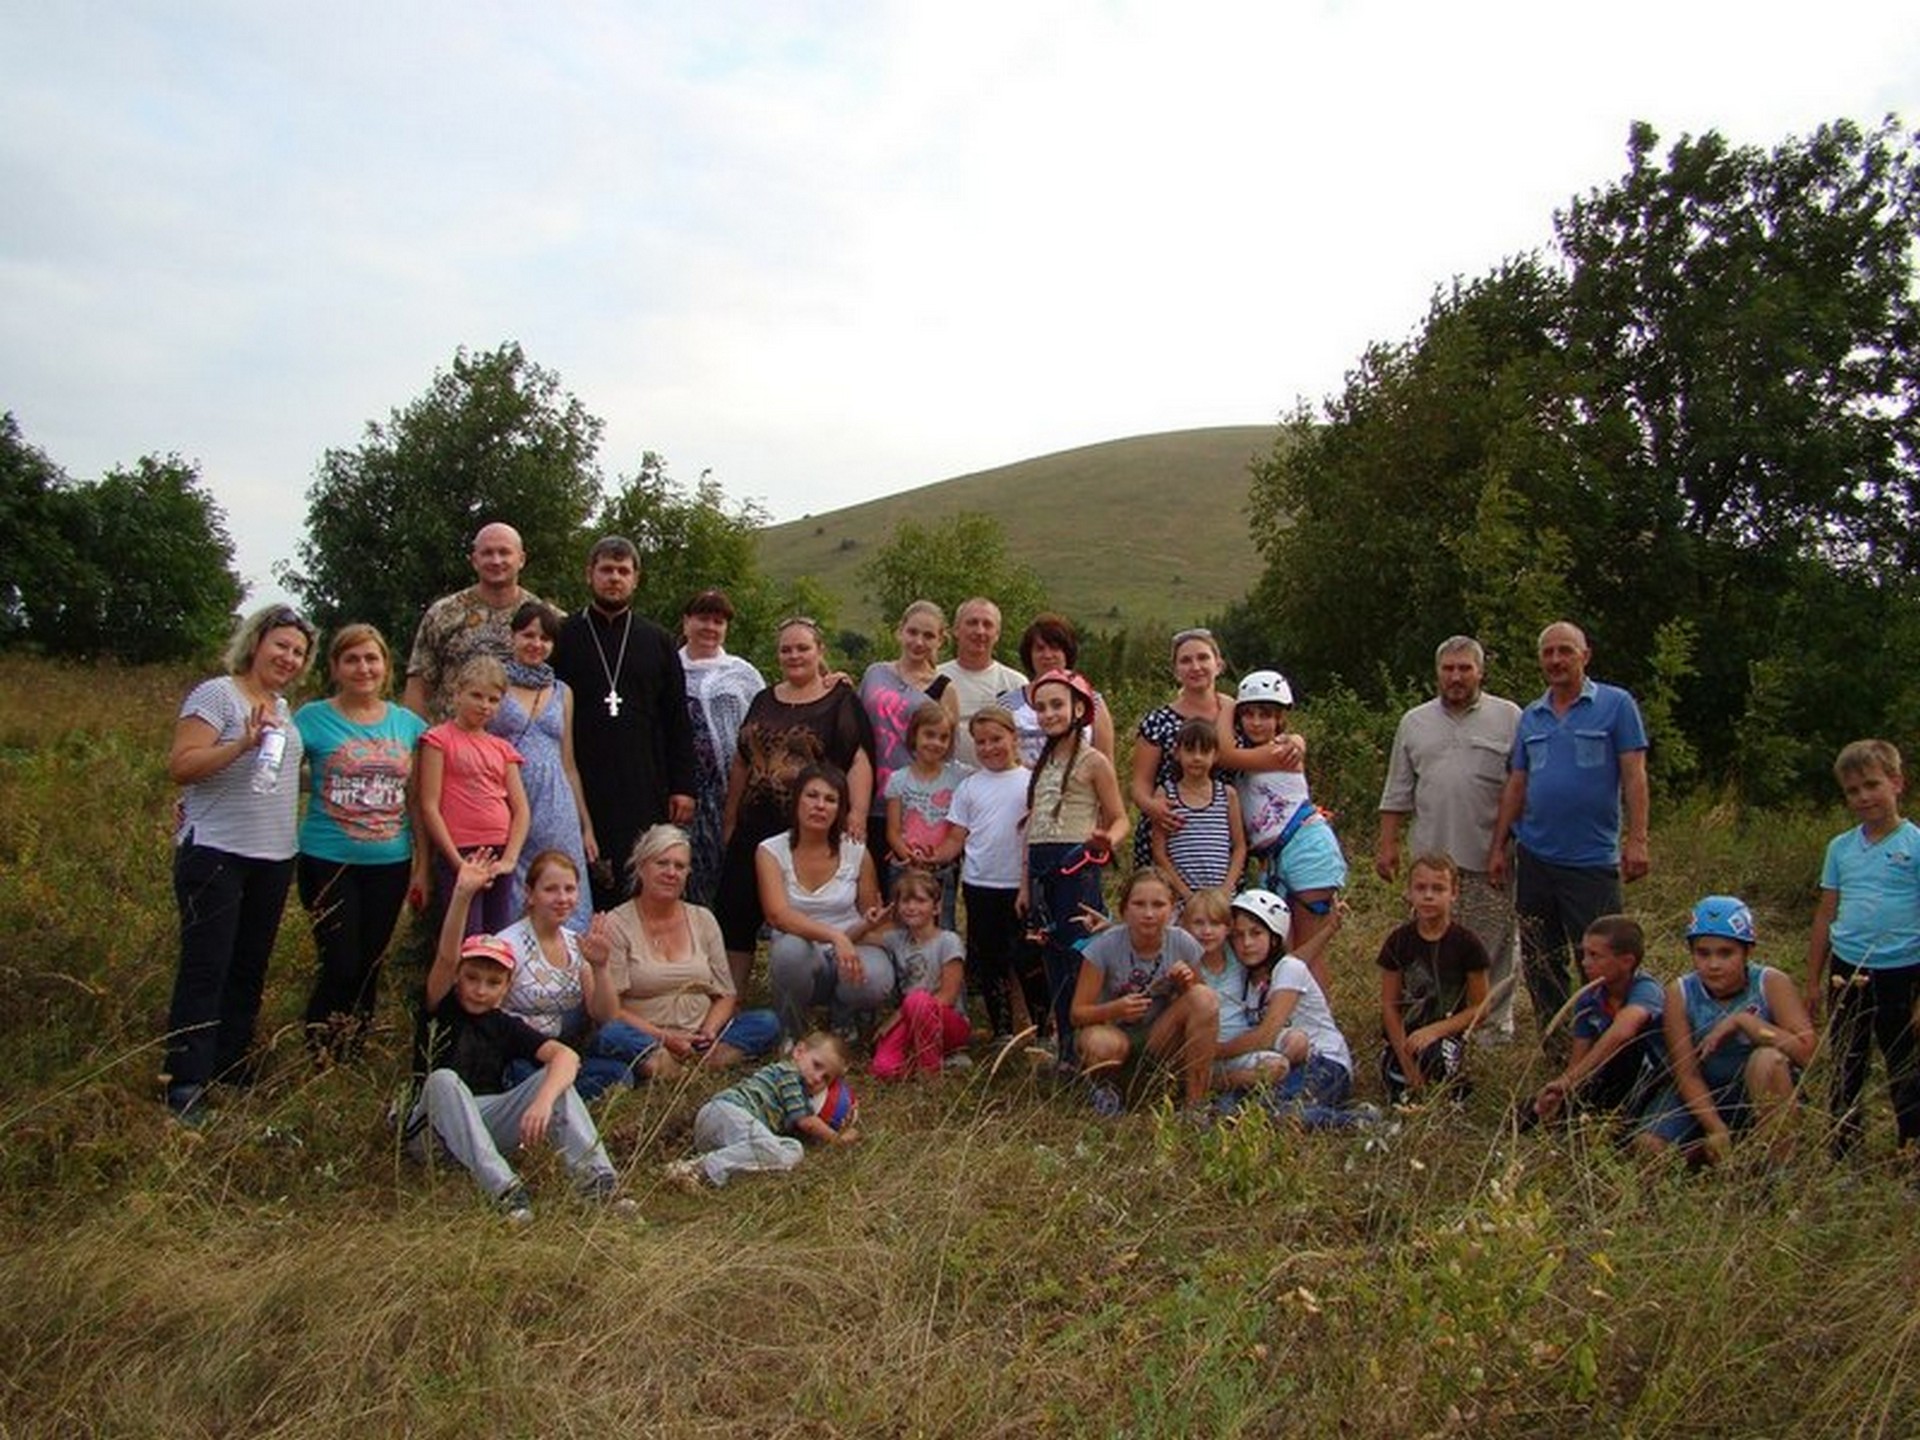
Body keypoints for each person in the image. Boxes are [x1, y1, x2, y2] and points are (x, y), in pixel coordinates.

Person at [407, 855, 628, 1222]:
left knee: (556, 1083)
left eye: (493, 982)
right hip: (432, 1129)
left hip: (485, 1121)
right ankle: (506, 1191)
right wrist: (463, 894)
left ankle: (598, 1184)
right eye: (473, 978)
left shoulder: (503, 1022)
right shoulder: (441, 1007)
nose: (480, 990)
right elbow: (447, 956)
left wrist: (542, 1101)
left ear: (508, 986)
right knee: (444, 1080)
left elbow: (565, 1058)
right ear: (460, 978)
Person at [163, 604, 316, 1120]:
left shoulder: (282, 706)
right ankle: (185, 1080)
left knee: (249, 966)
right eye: (281, 646)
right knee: (208, 966)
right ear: (256, 643)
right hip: (216, 853)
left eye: (298, 652)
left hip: (273, 855)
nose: (289, 658)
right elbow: (182, 766)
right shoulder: (218, 694)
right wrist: (243, 743)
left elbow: (279, 776)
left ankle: (231, 1061)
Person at [1487, 621, 1650, 1048]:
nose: (1556, 660)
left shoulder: (1616, 705)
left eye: (1565, 651)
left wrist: (1638, 839)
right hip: (1536, 856)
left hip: (1592, 861)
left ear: (1585, 656)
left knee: (1600, 962)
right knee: (1542, 961)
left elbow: (1634, 775)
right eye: (1548, 653)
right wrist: (1499, 847)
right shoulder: (1532, 716)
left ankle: (1611, 1046)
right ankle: (1557, 1049)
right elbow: (1518, 783)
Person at [715, 617, 874, 992]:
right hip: (754, 822)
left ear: (820, 651)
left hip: (810, 828)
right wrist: (730, 815)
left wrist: (857, 813)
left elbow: (858, 760)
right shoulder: (763, 698)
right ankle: (732, 995)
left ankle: (826, 991)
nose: (794, 655)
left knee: (807, 913)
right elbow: (742, 759)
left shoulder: (840, 701)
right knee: (736, 908)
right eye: (786, 649)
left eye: (803, 647)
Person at [1376, 636, 1523, 1040]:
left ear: (1480, 671)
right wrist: (1387, 845)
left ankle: (1490, 1033)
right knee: (1429, 951)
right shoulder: (1414, 722)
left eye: (1465, 668)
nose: (1456, 677)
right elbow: (1397, 790)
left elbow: (1521, 788)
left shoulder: (1509, 717)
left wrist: (1504, 847)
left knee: (1491, 950)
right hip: (1431, 865)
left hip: (1487, 860)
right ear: (1438, 673)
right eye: (1448, 669)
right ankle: (1428, 1026)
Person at [293, 622, 428, 1056]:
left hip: (389, 862)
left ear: (386, 667)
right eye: (352, 659)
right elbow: (275, 775)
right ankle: (319, 1048)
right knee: (340, 960)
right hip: (327, 859)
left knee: (370, 961)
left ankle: (352, 1047)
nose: (363, 668)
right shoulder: (311, 718)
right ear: (335, 666)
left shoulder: (408, 725)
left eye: (372, 658)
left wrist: (422, 866)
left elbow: (419, 801)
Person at [551, 535, 697, 913]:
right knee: (586, 868)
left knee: (640, 868)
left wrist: (683, 785)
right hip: (582, 778)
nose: (614, 578)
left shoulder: (658, 640)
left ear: (635, 578)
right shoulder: (564, 637)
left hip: (644, 778)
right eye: (606, 570)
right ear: (590, 575)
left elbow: (677, 717)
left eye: (623, 571)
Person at [579, 825, 780, 1090]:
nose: (671, 873)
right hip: (646, 1035)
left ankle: (698, 1062)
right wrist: (666, 1038)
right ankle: (668, 1064)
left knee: (767, 1021)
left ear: (688, 873)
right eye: (662, 863)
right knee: (611, 1034)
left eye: (680, 866)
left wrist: (707, 1031)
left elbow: (726, 994)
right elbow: (613, 1012)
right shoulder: (617, 924)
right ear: (641, 867)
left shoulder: (703, 919)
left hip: (700, 1035)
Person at [1636, 896, 1815, 1167]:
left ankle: (1777, 1170)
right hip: (1703, 1093)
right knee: (1647, 1148)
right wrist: (1715, 1126)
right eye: (1703, 953)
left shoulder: (1770, 983)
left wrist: (1746, 1022)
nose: (1713, 964)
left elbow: (1806, 1053)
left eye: (1725, 953)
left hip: (1759, 1092)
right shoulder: (1681, 992)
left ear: (1747, 951)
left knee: (1767, 1059)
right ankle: (1713, 1155)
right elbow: (1686, 1071)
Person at [1806, 739, 1920, 1160]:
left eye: (1872, 785)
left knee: (1903, 1062)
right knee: (1846, 1061)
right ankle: (1842, 1148)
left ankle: (1910, 1146)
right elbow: (1825, 915)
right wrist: (1812, 980)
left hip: (1903, 969)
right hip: (1848, 968)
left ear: (1896, 783)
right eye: (1853, 791)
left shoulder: (1915, 845)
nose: (1864, 797)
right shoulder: (1841, 848)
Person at [1023, 669, 1129, 1064]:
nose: (1048, 713)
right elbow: (1032, 827)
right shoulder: (1042, 762)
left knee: (1081, 957)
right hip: (1041, 868)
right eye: (1041, 707)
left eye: (1057, 705)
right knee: (1051, 956)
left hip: (1076, 865)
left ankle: (1090, 1048)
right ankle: (1067, 1047)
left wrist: (1107, 841)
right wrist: (1024, 885)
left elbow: (1120, 817)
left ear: (1079, 708)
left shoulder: (1094, 761)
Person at [758, 764, 897, 1041]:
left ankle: (843, 1015)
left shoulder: (856, 851)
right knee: (790, 952)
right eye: (812, 796)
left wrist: (889, 934)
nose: (820, 806)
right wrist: (835, 936)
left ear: (840, 810)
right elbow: (778, 915)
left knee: (878, 978)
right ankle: (792, 1030)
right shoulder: (770, 850)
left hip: (849, 948)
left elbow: (869, 917)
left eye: (831, 800)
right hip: (802, 951)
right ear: (797, 799)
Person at [1221, 670, 1343, 976]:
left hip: (1305, 848)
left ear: (1280, 719)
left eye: (1266, 715)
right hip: (1275, 858)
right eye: (1248, 714)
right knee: (1285, 951)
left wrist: (1225, 707)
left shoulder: (1281, 751)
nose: (1256, 722)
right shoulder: (1256, 756)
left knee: (1308, 950)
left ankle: (1317, 1022)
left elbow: (1224, 755)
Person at [934, 705, 1044, 1044]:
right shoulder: (970, 787)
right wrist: (930, 858)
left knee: (1028, 958)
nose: (989, 748)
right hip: (980, 885)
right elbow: (956, 838)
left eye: (996, 739)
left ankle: (1043, 1028)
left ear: (1013, 737)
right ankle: (1002, 1030)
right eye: (980, 742)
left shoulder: (1032, 781)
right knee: (992, 958)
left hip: (1021, 886)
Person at [1071, 868, 1219, 1113]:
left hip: (1159, 1037)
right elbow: (1077, 1014)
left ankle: (1196, 1106)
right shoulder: (1103, 947)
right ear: (1124, 910)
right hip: (1116, 1036)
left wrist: (1187, 984)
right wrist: (1115, 1009)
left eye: (1158, 905)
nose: (1149, 914)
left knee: (1204, 997)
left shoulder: (1183, 942)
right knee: (1100, 1043)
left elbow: (1204, 1006)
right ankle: (1109, 1092)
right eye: (1139, 904)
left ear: (1172, 910)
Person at [491, 600, 595, 934]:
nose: (536, 644)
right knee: (513, 886)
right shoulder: (495, 686)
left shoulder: (562, 692)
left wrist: (586, 826)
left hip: (556, 804)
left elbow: (569, 763)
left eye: (545, 638)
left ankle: (569, 972)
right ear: (513, 637)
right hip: (509, 797)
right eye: (528, 635)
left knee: (562, 882)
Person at [1224, 889, 1359, 1127]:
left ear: (1274, 937)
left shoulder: (1288, 969)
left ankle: (1358, 1121)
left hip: (1324, 1062)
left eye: (1256, 933)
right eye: (1238, 935)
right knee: (1230, 1112)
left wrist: (1212, 1052)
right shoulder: (1247, 979)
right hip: (1281, 1065)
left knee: (1280, 1115)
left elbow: (1265, 1035)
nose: (1246, 943)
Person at [418, 656, 530, 938]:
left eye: (493, 700)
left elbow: (521, 810)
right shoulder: (438, 739)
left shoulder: (502, 748)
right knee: (465, 935)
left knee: (496, 936)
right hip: (460, 850)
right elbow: (429, 805)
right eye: (476, 695)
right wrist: (456, 861)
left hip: (498, 851)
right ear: (457, 693)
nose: (484, 705)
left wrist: (510, 859)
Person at [663, 1031, 859, 1189]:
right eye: (816, 1065)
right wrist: (837, 1138)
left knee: (793, 1151)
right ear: (799, 1052)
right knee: (770, 1148)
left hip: (726, 1140)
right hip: (727, 1111)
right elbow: (806, 1122)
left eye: (826, 1078)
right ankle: (696, 1168)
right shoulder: (789, 1073)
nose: (817, 1078)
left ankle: (704, 1168)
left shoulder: (800, 1095)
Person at [1521, 915, 1665, 1129]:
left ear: (1627, 961)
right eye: (1584, 954)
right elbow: (1579, 1059)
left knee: (1623, 1053)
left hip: (1652, 1078)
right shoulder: (1590, 998)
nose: (1584, 962)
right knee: (1535, 1108)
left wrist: (1568, 1082)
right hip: (1608, 1078)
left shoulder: (1646, 989)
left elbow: (1622, 1032)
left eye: (1595, 956)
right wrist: (1564, 1089)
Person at [1377, 853, 1491, 1104]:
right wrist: (1405, 1059)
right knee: (1395, 1077)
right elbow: (1389, 1005)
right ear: (1409, 892)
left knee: (1436, 1061)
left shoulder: (1468, 944)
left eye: (1438, 888)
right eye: (1421, 888)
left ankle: (1452, 1096)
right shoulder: (1398, 942)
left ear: (1454, 893)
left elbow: (1481, 1008)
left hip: (1445, 1035)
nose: (1428, 896)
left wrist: (1435, 1031)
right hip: (1403, 1037)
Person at [859, 600, 960, 881]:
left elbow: (947, 756)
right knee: (872, 893)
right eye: (913, 632)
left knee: (914, 900)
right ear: (899, 631)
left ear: (941, 640)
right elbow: (855, 726)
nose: (919, 641)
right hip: (869, 799)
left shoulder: (944, 689)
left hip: (915, 807)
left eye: (929, 636)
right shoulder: (875, 673)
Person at [678, 589, 766, 906]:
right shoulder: (668, 668)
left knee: (729, 873)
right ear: (686, 622)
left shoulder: (742, 673)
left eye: (718, 621)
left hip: (731, 790)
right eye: (703, 619)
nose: (710, 628)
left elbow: (764, 722)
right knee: (686, 871)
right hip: (683, 793)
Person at [403, 521, 540, 722]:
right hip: (450, 746)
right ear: (474, 560)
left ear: (521, 559)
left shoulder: (545, 619)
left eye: (504, 552)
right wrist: (411, 744)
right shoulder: (443, 613)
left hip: (520, 747)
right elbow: (419, 685)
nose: (496, 560)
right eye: (487, 553)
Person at [1129, 627, 1239, 870]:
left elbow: (1269, 744)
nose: (1195, 666)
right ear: (1176, 671)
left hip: (1219, 839)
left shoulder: (1239, 716)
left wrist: (1294, 741)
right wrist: (1154, 809)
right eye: (1186, 661)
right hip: (1170, 832)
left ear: (1218, 665)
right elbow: (1139, 784)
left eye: (1203, 658)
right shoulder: (1157, 721)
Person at [870, 870, 971, 1081]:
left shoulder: (948, 941)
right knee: (883, 1069)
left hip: (948, 1021)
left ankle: (930, 1073)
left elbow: (948, 996)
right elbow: (853, 938)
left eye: (920, 901)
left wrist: (897, 1017)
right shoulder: (898, 939)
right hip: (911, 1018)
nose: (912, 907)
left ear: (936, 908)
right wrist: (873, 922)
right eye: (905, 901)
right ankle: (928, 1060)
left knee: (917, 1001)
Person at [1188, 888, 1289, 1091]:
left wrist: (1327, 932)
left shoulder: (1235, 955)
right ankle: (1209, 1083)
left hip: (1237, 1050)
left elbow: (1282, 957)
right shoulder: (1186, 960)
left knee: (1279, 1066)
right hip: (1201, 1052)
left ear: (1228, 929)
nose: (1207, 931)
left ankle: (1216, 1085)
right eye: (1198, 923)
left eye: (1215, 924)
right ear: (1186, 927)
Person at [884, 701, 966, 929]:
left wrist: (937, 857)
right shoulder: (898, 779)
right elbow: (892, 830)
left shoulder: (958, 779)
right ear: (914, 736)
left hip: (942, 867)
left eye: (943, 737)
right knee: (903, 924)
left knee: (943, 925)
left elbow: (957, 831)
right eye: (929, 735)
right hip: (904, 865)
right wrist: (908, 857)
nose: (935, 743)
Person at [1151, 717, 1247, 905]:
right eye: (1190, 750)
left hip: (1221, 897)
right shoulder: (1166, 793)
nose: (1197, 757)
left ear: (1215, 755)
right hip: (1181, 898)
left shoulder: (1227, 795)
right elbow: (1159, 852)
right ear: (1177, 752)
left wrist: (1227, 887)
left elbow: (1240, 847)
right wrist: (1185, 894)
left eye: (1204, 751)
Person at [1000, 613, 1116, 766]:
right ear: (1029, 655)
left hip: (1078, 788)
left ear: (1067, 653)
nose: (1047, 655)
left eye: (1055, 648)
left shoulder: (1092, 701)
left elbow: (1106, 762)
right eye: (1040, 649)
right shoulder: (1008, 704)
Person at [936, 596, 1026, 767]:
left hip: (999, 786)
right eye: (972, 623)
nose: (980, 631)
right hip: (945, 785)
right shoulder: (935, 679)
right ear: (956, 630)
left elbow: (1022, 741)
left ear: (997, 635)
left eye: (988, 624)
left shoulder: (1016, 684)